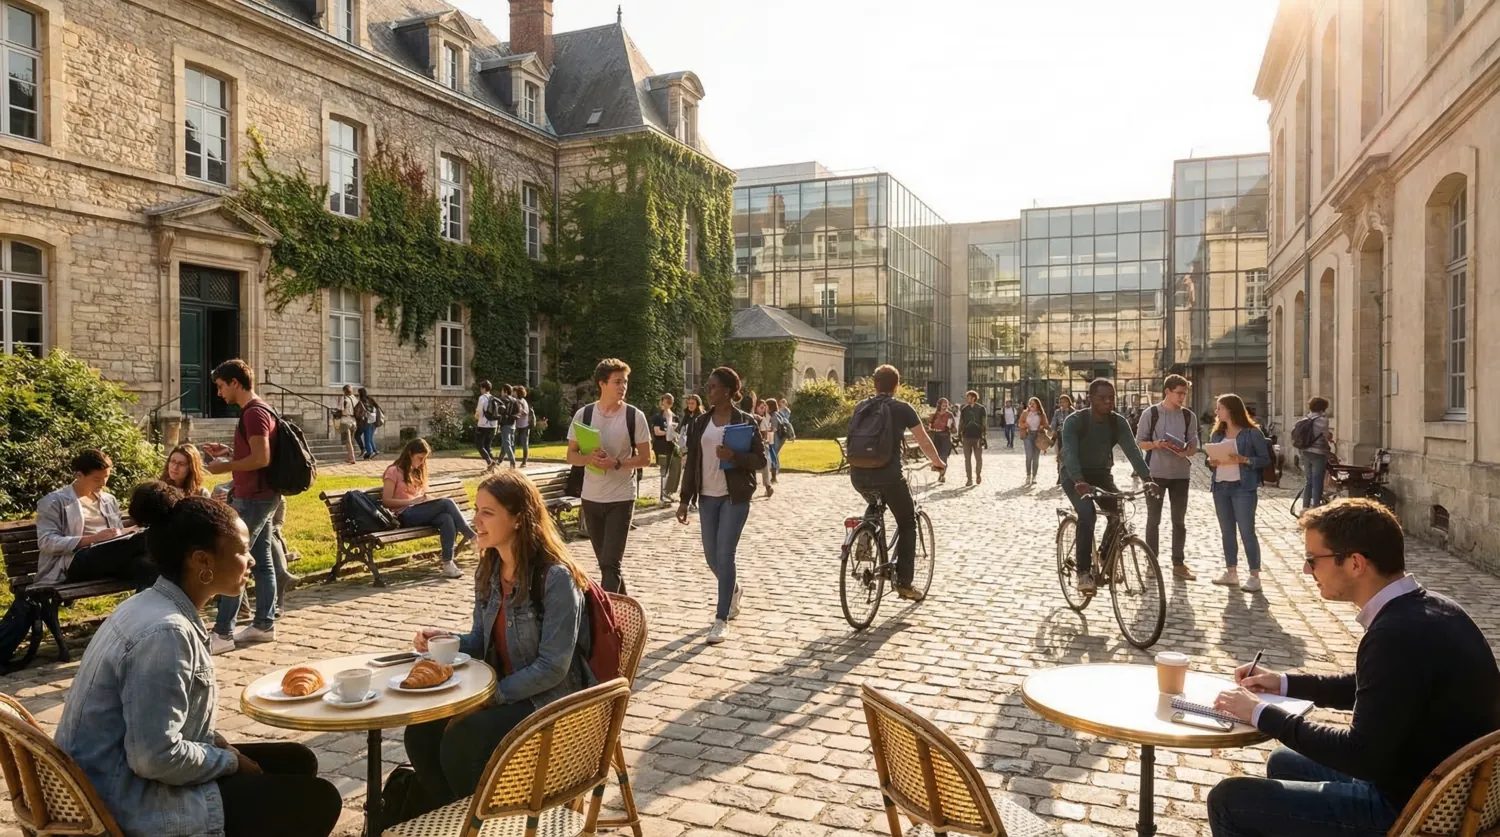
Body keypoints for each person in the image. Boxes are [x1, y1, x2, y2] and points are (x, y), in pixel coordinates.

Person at [55, 482, 342, 837]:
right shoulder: (166, 633)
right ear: (202, 561)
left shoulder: (150, 605)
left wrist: (225, 750)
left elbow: (175, 731)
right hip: (127, 801)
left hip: (120, 775)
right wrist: (230, 761)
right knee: (318, 799)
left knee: (297, 760)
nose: (251, 559)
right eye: (240, 550)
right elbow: (154, 757)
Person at [1206, 498, 1500, 837]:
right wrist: (1284, 683)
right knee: (1283, 761)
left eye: (1313, 559)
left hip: (1413, 808)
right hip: (1434, 781)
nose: (1306, 570)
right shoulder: (1433, 608)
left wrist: (1260, 714)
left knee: (1228, 800)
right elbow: (1376, 687)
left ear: (1356, 563)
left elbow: (1360, 755)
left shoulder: (1394, 635)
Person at [405, 470, 595, 809]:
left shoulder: (555, 578)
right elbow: (480, 640)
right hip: (505, 690)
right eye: (476, 510)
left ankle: (481, 821)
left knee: (464, 738)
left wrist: (491, 698)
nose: (474, 520)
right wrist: (446, 640)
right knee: (420, 731)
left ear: (519, 518)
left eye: (487, 512)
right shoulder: (490, 569)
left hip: (549, 701)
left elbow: (553, 667)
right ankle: (456, 817)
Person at [676, 367, 767, 645]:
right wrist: (683, 499)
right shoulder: (700, 422)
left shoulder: (746, 421)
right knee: (711, 556)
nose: (709, 390)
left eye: (713, 386)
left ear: (727, 390)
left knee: (725, 554)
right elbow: (692, 462)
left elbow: (760, 461)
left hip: (734, 497)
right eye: (708, 385)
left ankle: (720, 618)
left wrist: (734, 456)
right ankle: (733, 589)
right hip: (707, 496)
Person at [200, 359, 281, 654]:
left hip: (254, 496)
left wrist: (225, 466)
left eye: (221, 386)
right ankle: (263, 625)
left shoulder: (253, 413)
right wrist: (232, 452)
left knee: (233, 558)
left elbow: (262, 459)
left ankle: (222, 633)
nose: (219, 393)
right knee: (262, 560)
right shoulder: (259, 410)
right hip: (260, 493)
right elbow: (257, 455)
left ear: (235, 382)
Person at [847, 365, 945, 601]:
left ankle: (867, 531)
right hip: (888, 475)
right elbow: (923, 440)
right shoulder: (902, 408)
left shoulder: (861, 406)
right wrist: (938, 462)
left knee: (874, 499)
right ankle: (904, 581)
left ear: (874, 384)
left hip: (858, 474)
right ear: (897, 385)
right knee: (907, 522)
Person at [1059, 379, 1156, 594]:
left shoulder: (1117, 423)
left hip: (1101, 474)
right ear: (1090, 399)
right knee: (1088, 514)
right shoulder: (1075, 422)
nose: (1108, 401)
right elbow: (1070, 454)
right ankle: (1083, 571)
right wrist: (1078, 481)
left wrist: (1147, 478)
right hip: (1074, 476)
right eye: (1102, 398)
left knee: (1117, 511)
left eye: (1111, 397)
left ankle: (1104, 554)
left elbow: (1133, 451)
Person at [566, 358, 651, 595]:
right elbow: (571, 456)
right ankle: (626, 615)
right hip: (591, 498)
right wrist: (588, 459)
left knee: (610, 564)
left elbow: (646, 458)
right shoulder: (584, 414)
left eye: (625, 382)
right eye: (617, 382)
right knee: (607, 565)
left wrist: (617, 463)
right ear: (602, 383)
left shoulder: (634, 416)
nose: (623, 386)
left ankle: (606, 622)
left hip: (621, 497)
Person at [35, 450, 151, 590]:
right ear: (79, 475)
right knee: (145, 539)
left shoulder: (108, 500)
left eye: (106, 477)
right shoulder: (54, 501)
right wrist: (94, 538)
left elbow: (115, 533)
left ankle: (145, 610)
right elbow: (46, 542)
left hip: (109, 556)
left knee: (145, 564)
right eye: (97, 479)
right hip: (75, 561)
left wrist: (129, 530)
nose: (103, 483)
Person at [1135, 374, 1201, 581]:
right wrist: (1156, 444)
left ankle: (1178, 563)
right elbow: (1140, 442)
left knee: (1179, 521)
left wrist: (1188, 450)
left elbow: (1194, 445)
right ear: (1168, 392)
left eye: (1185, 393)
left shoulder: (1189, 416)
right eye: (1179, 393)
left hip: (1181, 475)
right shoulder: (1151, 413)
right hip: (1155, 473)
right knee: (1153, 520)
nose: (1182, 397)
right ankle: (1151, 562)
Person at [383, 438, 477, 580]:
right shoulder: (393, 471)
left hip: (420, 511)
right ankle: (473, 537)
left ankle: (448, 563)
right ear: (409, 453)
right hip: (404, 515)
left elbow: (421, 496)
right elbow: (386, 501)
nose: (421, 462)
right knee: (447, 503)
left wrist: (429, 499)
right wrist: (411, 501)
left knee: (447, 518)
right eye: (419, 458)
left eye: (424, 459)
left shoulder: (416, 472)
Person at [1206, 393, 1272, 593]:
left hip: (1243, 487)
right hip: (1221, 487)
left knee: (1246, 531)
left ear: (1231, 410)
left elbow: (1265, 459)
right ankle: (1231, 572)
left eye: (1220, 408)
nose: (1217, 412)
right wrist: (1211, 462)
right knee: (1227, 532)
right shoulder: (1217, 434)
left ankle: (1254, 575)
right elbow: (1208, 460)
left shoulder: (1252, 433)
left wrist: (1244, 460)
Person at [1297, 396, 1333, 512]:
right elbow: (1325, 437)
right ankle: (1316, 508)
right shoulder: (1323, 420)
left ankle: (1305, 507)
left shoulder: (1304, 419)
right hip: (1318, 453)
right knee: (1317, 480)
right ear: (1323, 408)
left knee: (1309, 480)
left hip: (1305, 452)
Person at [651, 393, 683, 502]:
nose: (668, 402)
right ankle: (662, 495)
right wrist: (668, 432)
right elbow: (657, 432)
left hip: (672, 445)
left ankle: (668, 491)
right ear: (662, 401)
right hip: (661, 445)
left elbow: (678, 433)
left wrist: (674, 435)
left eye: (670, 400)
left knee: (674, 468)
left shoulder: (675, 417)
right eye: (666, 400)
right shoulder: (658, 416)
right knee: (663, 469)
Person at [1018, 397, 1050, 486]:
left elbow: (1046, 424)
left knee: (1036, 458)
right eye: (1030, 403)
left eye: (1034, 403)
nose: (1031, 404)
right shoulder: (1025, 413)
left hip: (1038, 436)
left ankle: (1034, 476)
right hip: (1028, 435)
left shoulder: (1041, 414)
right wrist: (1025, 424)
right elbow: (1020, 423)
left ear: (1037, 405)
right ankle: (1028, 475)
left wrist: (1042, 426)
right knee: (1029, 456)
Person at [958, 391, 987, 486]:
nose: (967, 399)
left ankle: (978, 474)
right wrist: (959, 434)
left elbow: (984, 422)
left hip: (977, 437)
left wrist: (983, 435)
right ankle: (969, 479)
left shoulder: (981, 409)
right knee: (967, 459)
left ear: (974, 398)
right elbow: (961, 422)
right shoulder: (964, 409)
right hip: (966, 437)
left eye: (969, 397)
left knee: (978, 458)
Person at [681, 394, 704, 512]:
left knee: (696, 476)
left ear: (697, 405)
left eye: (692, 404)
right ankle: (686, 499)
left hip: (699, 450)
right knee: (688, 476)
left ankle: (695, 500)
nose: (690, 406)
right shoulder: (687, 416)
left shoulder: (700, 417)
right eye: (689, 403)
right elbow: (681, 430)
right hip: (689, 449)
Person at [928, 398, 954, 484]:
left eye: (946, 404)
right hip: (936, 436)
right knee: (937, 456)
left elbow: (951, 426)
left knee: (944, 456)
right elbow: (930, 425)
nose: (945, 405)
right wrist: (930, 426)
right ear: (939, 405)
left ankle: (942, 475)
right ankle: (938, 469)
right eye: (943, 403)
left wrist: (952, 428)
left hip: (945, 436)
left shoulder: (949, 415)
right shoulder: (935, 415)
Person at [754, 399, 777, 497]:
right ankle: (765, 485)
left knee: (765, 464)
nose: (763, 410)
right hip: (758, 445)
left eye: (764, 408)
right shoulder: (757, 418)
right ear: (756, 407)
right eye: (761, 408)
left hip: (761, 445)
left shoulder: (763, 418)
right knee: (762, 464)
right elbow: (764, 434)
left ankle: (767, 486)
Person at [474, 380, 498, 468]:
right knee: (488, 445)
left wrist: (476, 417)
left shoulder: (482, 398)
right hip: (493, 424)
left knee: (479, 445)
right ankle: (493, 463)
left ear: (483, 388)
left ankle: (489, 461)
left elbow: (479, 411)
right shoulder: (493, 398)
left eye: (481, 388)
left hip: (483, 424)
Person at [496, 384, 519, 469]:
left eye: (502, 391)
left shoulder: (503, 400)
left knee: (507, 444)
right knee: (508, 444)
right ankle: (499, 461)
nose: (501, 392)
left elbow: (499, 411)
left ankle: (513, 463)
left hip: (505, 424)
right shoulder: (515, 400)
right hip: (513, 424)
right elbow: (518, 412)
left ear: (505, 391)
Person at [1052, 394, 1075, 478]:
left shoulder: (1073, 412)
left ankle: (1069, 474)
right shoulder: (1057, 412)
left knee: (1069, 456)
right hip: (1060, 436)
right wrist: (1054, 430)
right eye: (1060, 402)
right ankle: (1060, 474)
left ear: (1069, 402)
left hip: (1070, 437)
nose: (1062, 404)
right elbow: (1053, 424)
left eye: (1064, 402)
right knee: (1060, 455)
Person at [335, 383, 358, 464]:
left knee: (348, 441)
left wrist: (335, 412)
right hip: (354, 421)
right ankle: (349, 457)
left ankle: (352, 458)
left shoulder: (344, 398)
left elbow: (340, 410)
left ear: (344, 391)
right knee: (351, 441)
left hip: (345, 421)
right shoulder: (355, 398)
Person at [355, 387, 381, 460]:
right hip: (373, 420)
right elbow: (377, 407)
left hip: (365, 421)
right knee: (368, 438)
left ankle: (368, 451)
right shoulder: (370, 399)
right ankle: (372, 451)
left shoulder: (361, 401)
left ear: (360, 394)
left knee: (359, 436)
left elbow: (358, 412)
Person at [514, 385, 533, 467]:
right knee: (524, 443)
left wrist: (519, 412)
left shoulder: (518, 401)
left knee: (516, 443)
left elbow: (524, 412)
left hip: (520, 425)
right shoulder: (524, 401)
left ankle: (516, 461)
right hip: (524, 424)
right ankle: (523, 461)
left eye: (514, 392)